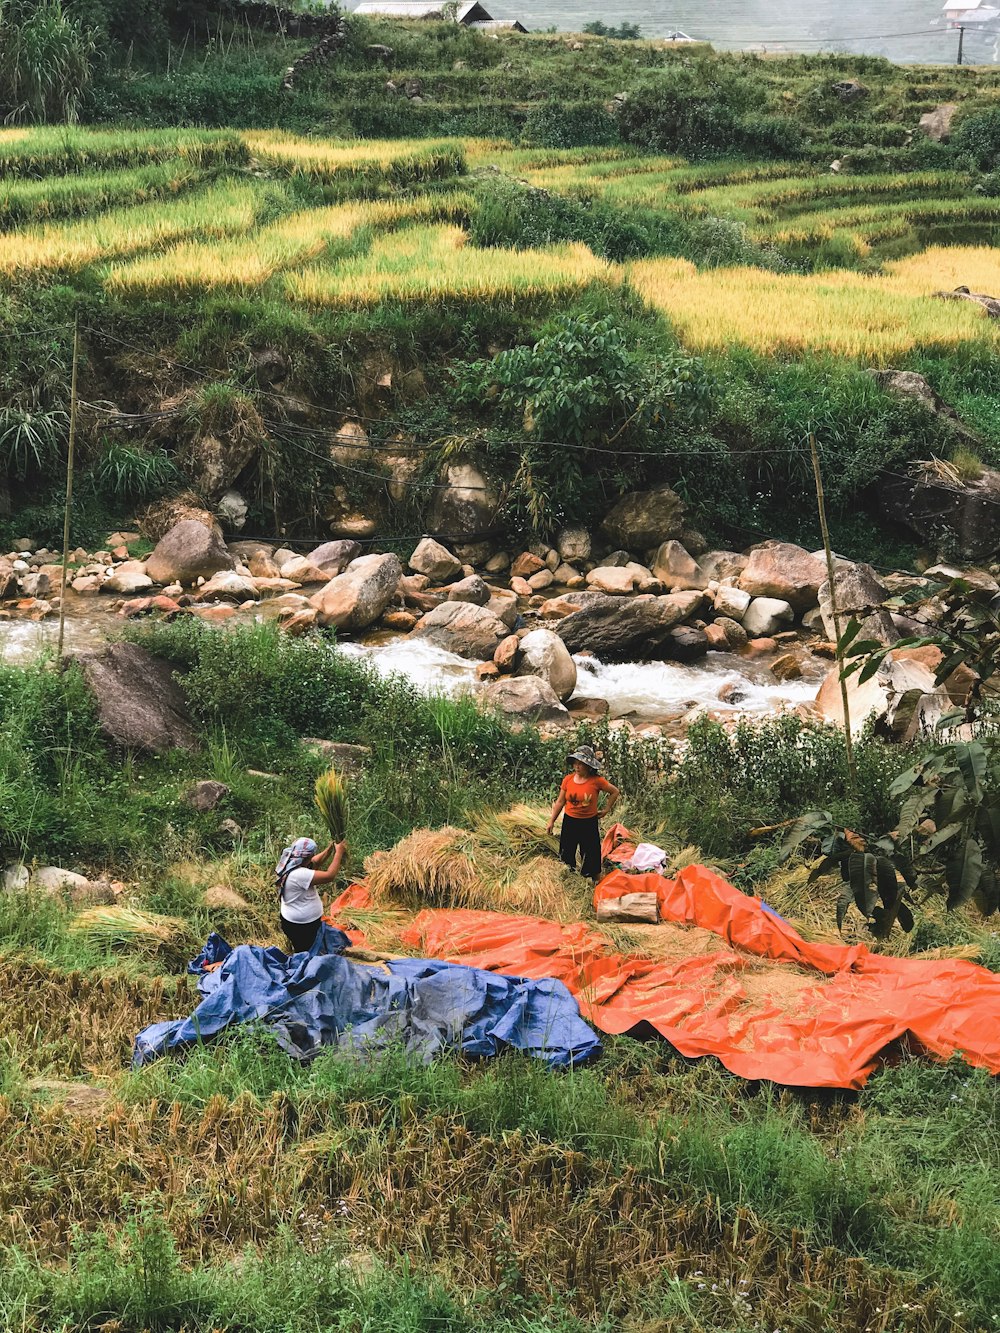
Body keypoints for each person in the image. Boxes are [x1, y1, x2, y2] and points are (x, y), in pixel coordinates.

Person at [546, 745, 619, 882]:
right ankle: (569, 879)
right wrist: (551, 821)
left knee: (591, 854)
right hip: (570, 822)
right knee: (566, 853)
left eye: (581, 764)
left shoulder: (597, 781)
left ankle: (594, 881)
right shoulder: (568, 780)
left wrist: (606, 809)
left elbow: (614, 791)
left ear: (588, 765)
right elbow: (560, 802)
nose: (577, 767)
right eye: (575, 763)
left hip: (588, 823)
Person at [274, 836, 347, 954]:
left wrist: (330, 849)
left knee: (306, 949)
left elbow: (315, 861)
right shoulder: (299, 874)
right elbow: (330, 876)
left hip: (294, 922)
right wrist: (339, 852)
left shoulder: (291, 863)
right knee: (307, 954)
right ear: (307, 857)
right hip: (301, 927)